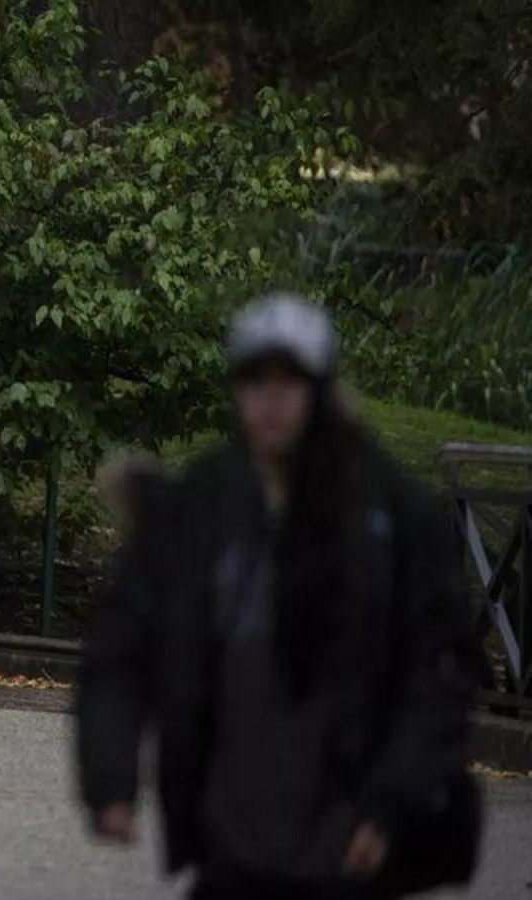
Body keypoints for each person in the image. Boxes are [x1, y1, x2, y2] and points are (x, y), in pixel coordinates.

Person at [76, 294, 482, 898]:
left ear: (320, 390)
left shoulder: (391, 513)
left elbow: (437, 672)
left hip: (345, 827)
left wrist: (390, 800)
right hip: (232, 827)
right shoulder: (202, 505)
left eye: (289, 381)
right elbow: (121, 646)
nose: (271, 401)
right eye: (254, 381)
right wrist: (111, 777)